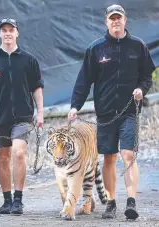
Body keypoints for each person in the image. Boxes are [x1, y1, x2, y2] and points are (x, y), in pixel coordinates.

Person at [68, 4, 155, 220]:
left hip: (129, 111)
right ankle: (111, 201)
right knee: (109, 157)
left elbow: (147, 76)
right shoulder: (96, 49)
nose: (116, 21)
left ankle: (131, 202)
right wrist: (74, 106)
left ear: (125, 20)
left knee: (128, 155)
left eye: (119, 18)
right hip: (105, 113)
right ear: (106, 22)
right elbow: (84, 81)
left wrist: (141, 90)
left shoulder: (138, 46)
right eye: (112, 18)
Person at [0, 18, 44, 215]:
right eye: (4, 30)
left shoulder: (29, 60)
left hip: (22, 116)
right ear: (0, 34)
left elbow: (37, 87)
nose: (7, 33)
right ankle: (7, 201)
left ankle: (19, 200)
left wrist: (40, 112)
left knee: (19, 152)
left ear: (17, 33)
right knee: (3, 158)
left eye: (11, 30)